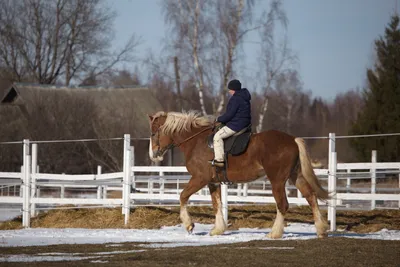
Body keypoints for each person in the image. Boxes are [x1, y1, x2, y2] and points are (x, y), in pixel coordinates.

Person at [209, 79, 252, 167]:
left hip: (236, 125)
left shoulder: (235, 99)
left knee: (217, 137)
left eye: (230, 89)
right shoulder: (244, 97)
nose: (229, 91)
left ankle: (219, 160)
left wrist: (219, 119)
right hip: (245, 124)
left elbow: (229, 115)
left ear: (233, 89)